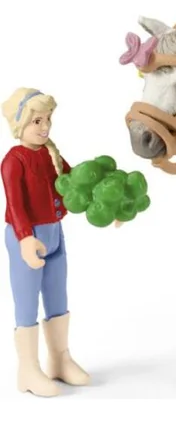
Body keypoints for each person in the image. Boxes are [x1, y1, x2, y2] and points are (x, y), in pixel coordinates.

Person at [1, 88, 89, 397]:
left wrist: (106, 203)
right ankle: (28, 368)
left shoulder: (52, 155)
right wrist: (25, 238)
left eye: (47, 119)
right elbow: (14, 205)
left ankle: (59, 358)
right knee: (26, 302)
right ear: (20, 123)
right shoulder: (13, 161)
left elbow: (77, 182)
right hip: (26, 238)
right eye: (37, 121)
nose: (45, 126)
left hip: (54, 234)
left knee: (57, 297)